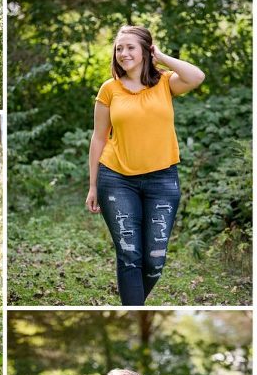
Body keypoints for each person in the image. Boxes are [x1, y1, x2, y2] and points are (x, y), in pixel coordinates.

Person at [86, 25, 205, 306]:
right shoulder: (109, 90)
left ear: (145, 51)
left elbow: (197, 76)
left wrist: (161, 57)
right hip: (116, 179)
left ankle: (132, 304)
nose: (123, 53)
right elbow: (98, 138)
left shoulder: (165, 83)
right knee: (129, 256)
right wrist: (92, 186)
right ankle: (133, 311)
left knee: (154, 261)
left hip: (162, 180)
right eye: (119, 48)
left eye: (130, 47)